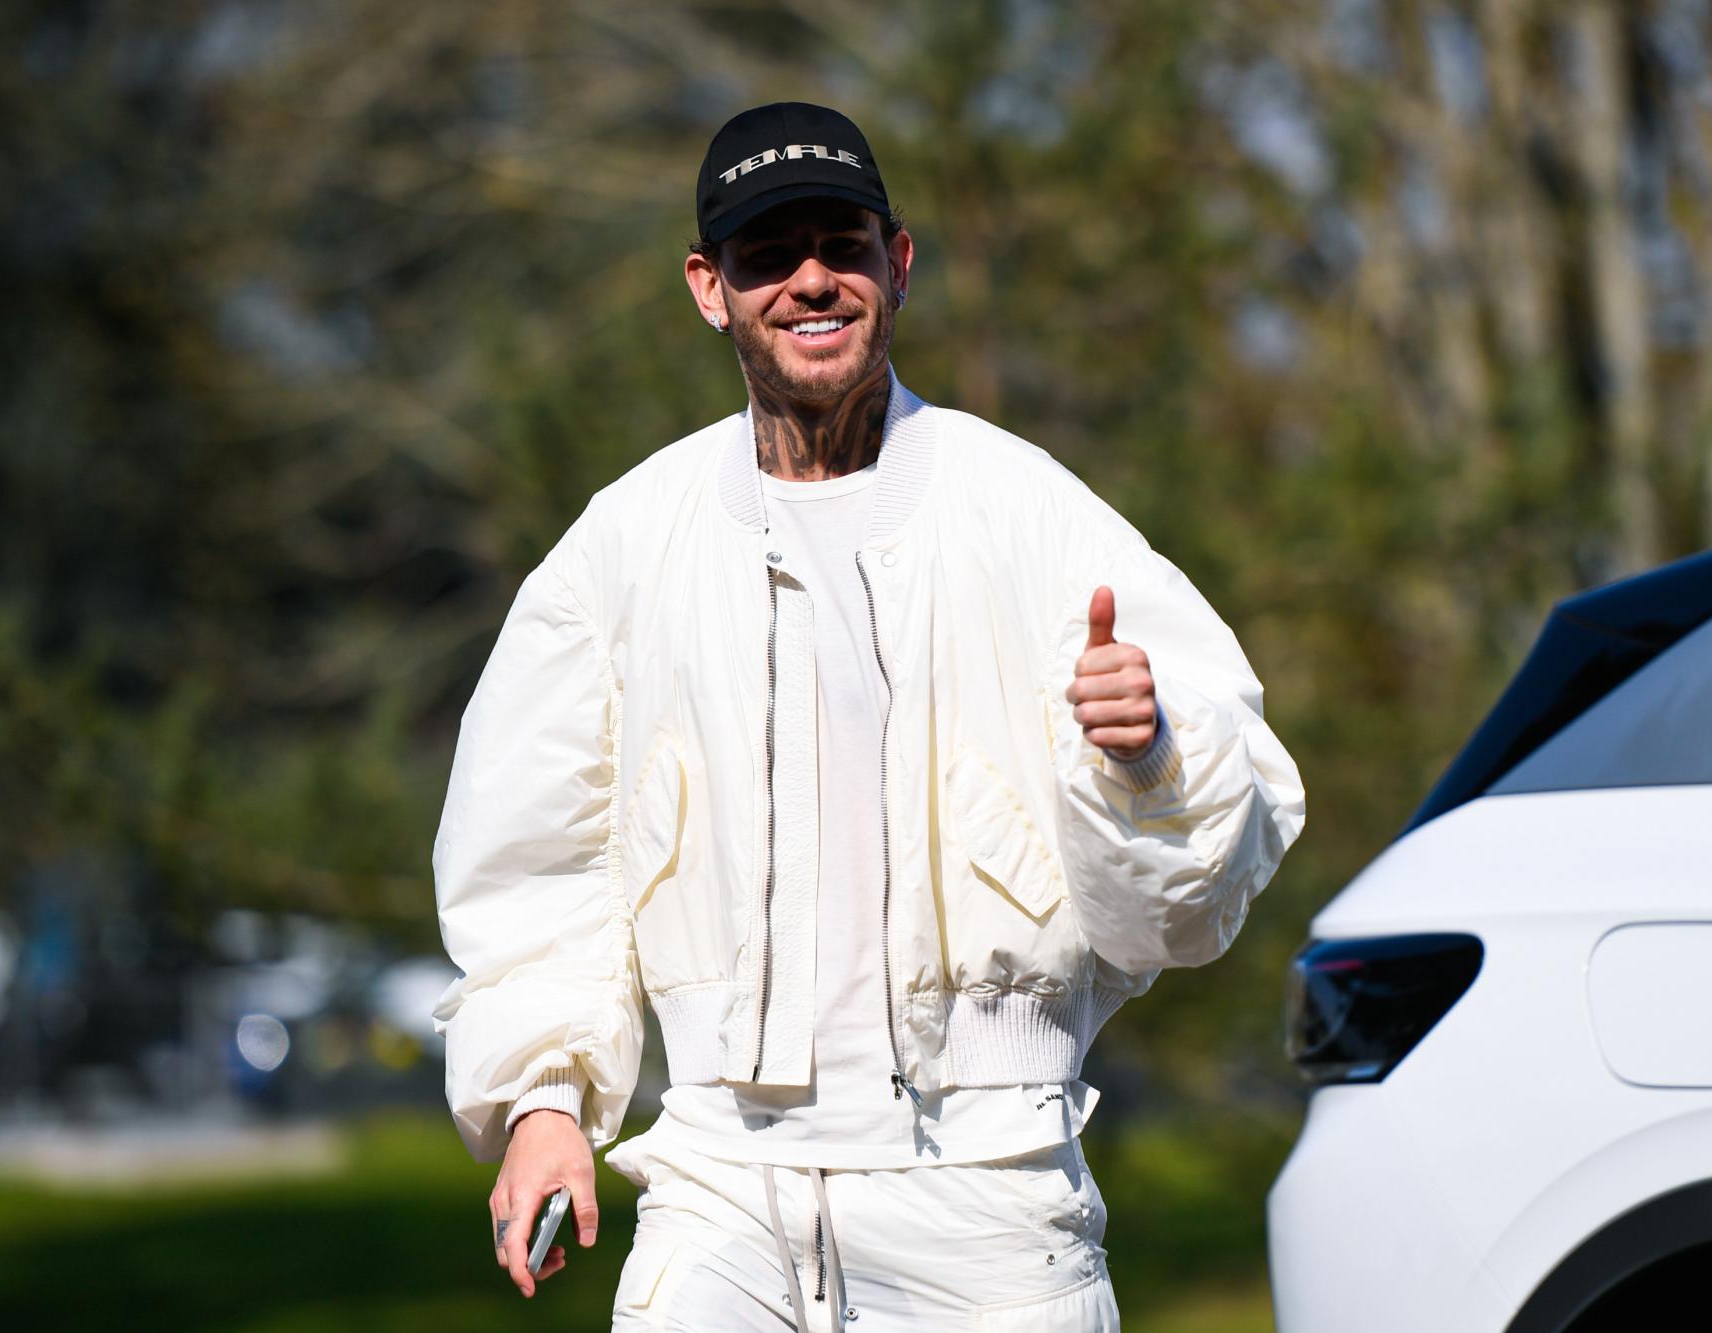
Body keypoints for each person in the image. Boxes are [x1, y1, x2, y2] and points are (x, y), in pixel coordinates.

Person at [430, 101, 1306, 1331]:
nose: (808, 281)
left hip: (987, 1192)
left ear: (897, 261)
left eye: (839, 244)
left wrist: (1146, 752)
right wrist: (542, 1105)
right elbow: (537, 855)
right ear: (707, 285)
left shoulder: (1026, 511)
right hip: (717, 1183)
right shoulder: (626, 544)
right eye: (763, 256)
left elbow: (1185, 900)